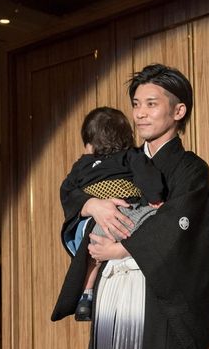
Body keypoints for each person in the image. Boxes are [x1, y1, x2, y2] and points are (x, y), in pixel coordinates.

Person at [52, 64, 209, 349]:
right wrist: (91, 206)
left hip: (157, 295)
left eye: (152, 104)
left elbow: (181, 229)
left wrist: (123, 249)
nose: (141, 113)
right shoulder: (120, 163)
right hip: (112, 291)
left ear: (179, 111)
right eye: (136, 104)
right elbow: (75, 197)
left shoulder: (191, 170)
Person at [58, 106, 165, 321]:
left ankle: (86, 296)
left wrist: (89, 204)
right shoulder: (132, 155)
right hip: (129, 216)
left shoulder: (82, 164)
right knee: (159, 220)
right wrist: (156, 199)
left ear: (90, 143)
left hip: (95, 228)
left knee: (93, 254)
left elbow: (66, 190)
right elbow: (149, 179)